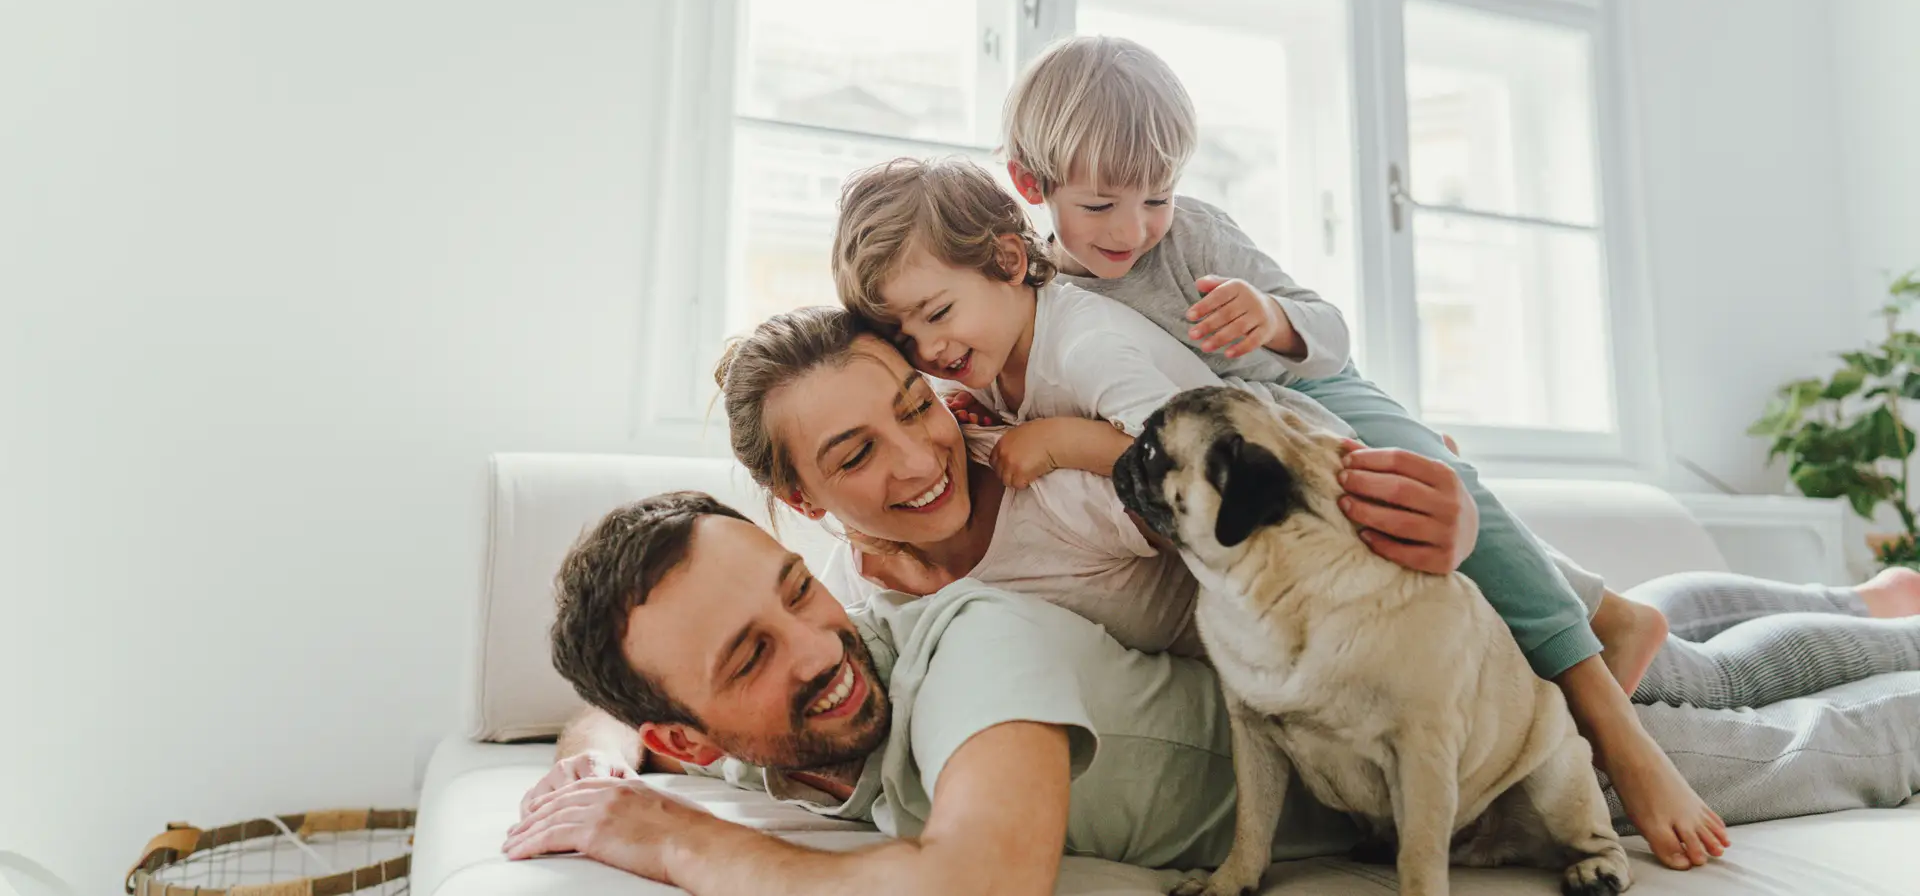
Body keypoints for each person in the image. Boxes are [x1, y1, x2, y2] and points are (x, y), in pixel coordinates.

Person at [828, 146, 1920, 867]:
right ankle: (1864, 601)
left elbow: (1207, 446)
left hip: (1388, 574)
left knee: (1691, 690)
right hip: (1344, 626)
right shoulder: (971, 405)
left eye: (935, 325)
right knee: (1679, 646)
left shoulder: (1081, 349)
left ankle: (1877, 626)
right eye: (909, 345)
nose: (931, 360)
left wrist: (1063, 442)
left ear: (1014, 261)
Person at [505, 489, 1920, 895]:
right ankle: (1863, 600)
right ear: (690, 728)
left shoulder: (964, 650)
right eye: (749, 655)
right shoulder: (765, 742)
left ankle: (1868, 631)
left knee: (1813, 743)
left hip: (1453, 741)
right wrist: (606, 754)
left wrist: (673, 836)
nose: (815, 646)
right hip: (1392, 700)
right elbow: (615, 721)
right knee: (1706, 646)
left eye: (796, 591)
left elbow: (981, 883)